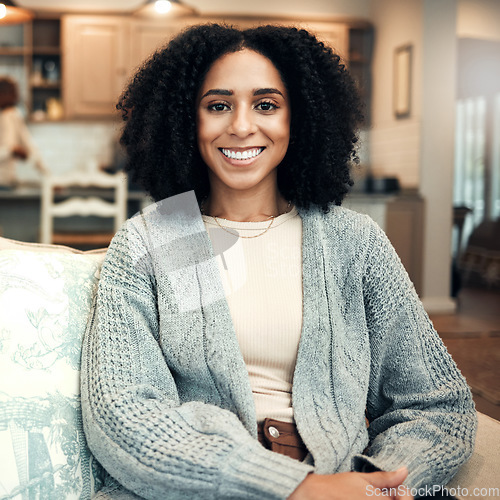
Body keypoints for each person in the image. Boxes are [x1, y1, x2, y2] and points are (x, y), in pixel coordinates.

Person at [81, 24, 476, 500]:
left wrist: (379, 484)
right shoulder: (165, 238)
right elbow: (122, 412)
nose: (242, 126)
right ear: (187, 119)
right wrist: (293, 489)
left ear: (300, 119)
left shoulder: (350, 242)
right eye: (218, 105)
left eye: (266, 104)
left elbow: (438, 405)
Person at [0, 76, 47, 187]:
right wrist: (11, 151)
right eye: (10, 92)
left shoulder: (14, 115)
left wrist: (48, 177)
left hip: (7, 183)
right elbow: (11, 149)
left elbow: (31, 148)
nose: (16, 96)